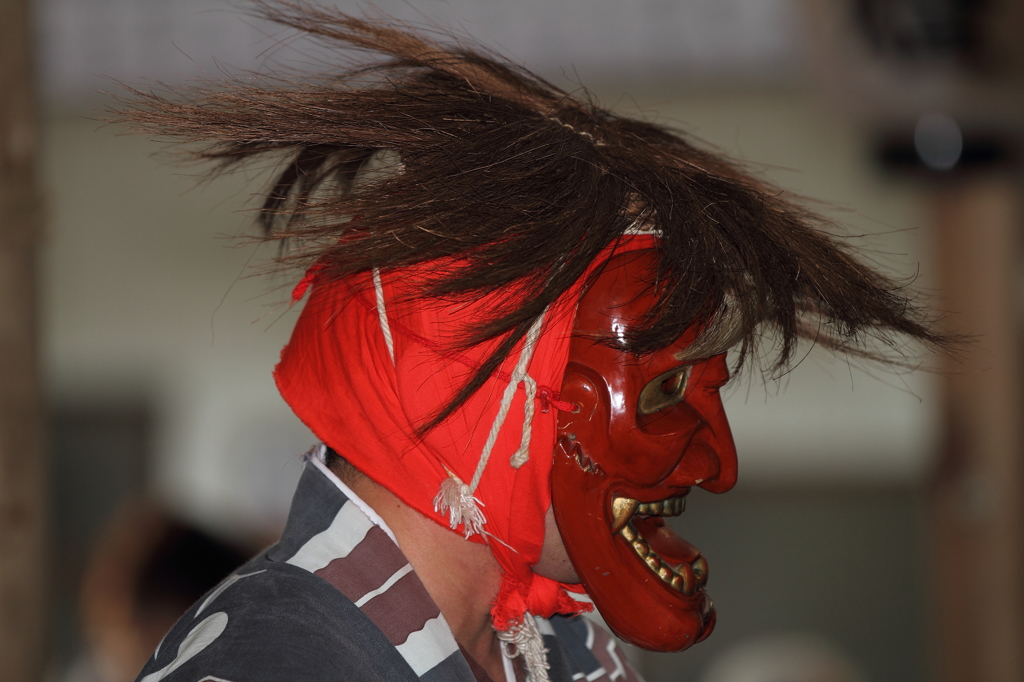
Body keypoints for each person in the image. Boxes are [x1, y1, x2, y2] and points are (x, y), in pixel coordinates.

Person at [119, 3, 946, 681]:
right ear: (480, 408)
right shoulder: (274, 669)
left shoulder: (551, 642)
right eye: (660, 391)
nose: (716, 461)